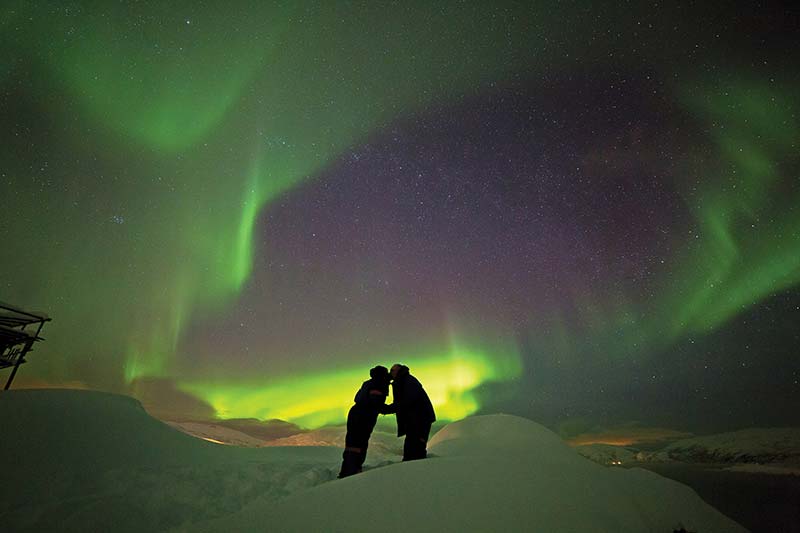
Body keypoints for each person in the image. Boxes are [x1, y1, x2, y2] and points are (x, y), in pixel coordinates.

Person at [338, 365, 390, 478]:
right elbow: (375, 403)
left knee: (353, 442)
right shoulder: (378, 383)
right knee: (358, 443)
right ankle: (351, 471)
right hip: (363, 416)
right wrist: (395, 408)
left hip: (357, 414)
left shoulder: (369, 382)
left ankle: (350, 469)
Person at [382, 364, 436, 461]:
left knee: (416, 447)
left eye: (393, 370)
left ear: (399, 370)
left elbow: (407, 400)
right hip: (415, 420)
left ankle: (415, 468)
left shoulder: (408, 381)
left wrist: (388, 409)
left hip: (420, 419)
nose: (391, 373)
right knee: (411, 446)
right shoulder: (402, 381)